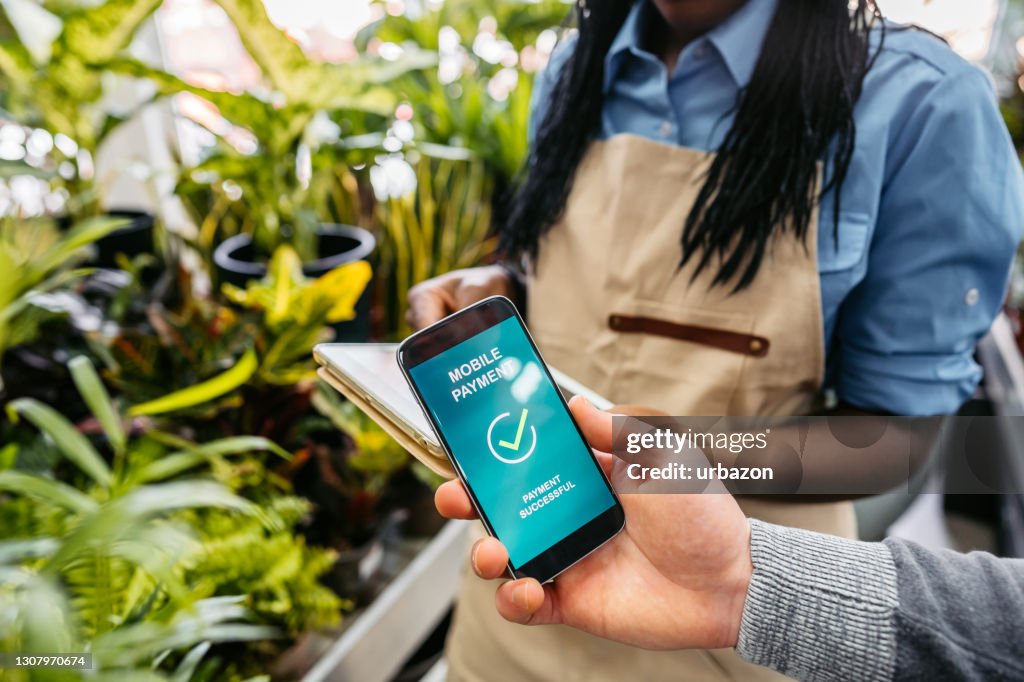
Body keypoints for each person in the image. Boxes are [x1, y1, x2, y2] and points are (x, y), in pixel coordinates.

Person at [407, 0, 1024, 679]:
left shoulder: (920, 106)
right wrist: (504, 282)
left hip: (738, 612)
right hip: (517, 604)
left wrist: (645, 465)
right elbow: (593, 275)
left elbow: (891, 446)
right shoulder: (573, 66)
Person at [434, 397, 1024, 682]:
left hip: (725, 630)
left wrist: (673, 461)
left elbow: (895, 444)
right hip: (533, 594)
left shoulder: (929, 150)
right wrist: (506, 273)